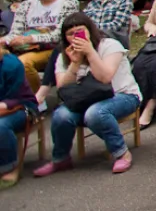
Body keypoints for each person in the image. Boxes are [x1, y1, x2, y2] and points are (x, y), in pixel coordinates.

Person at [33, 13, 141, 177]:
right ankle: (60, 159)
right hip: (85, 99)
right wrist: (75, 63)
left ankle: (121, 153)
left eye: (80, 31)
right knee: (61, 115)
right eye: (70, 34)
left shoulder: (110, 45)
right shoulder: (65, 54)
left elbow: (105, 78)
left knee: (95, 113)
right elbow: (62, 86)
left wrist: (90, 53)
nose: (76, 37)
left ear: (90, 30)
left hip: (122, 95)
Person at [3, 0, 77, 91]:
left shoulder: (68, 3)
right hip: (27, 47)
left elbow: (60, 35)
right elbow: (16, 32)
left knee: (24, 62)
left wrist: (30, 38)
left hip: (56, 48)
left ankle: (36, 101)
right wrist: (5, 40)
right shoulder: (26, 5)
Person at [0, 43, 37, 189]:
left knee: (1, 126)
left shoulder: (12, 65)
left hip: (20, 106)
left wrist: (4, 105)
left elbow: (16, 96)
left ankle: (9, 167)